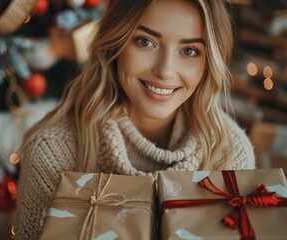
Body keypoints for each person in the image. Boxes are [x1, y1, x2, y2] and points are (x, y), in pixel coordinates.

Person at [13, 0, 255, 239]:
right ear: (114, 43)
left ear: (209, 63)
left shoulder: (230, 153)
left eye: (189, 51)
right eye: (145, 41)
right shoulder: (51, 153)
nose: (165, 70)